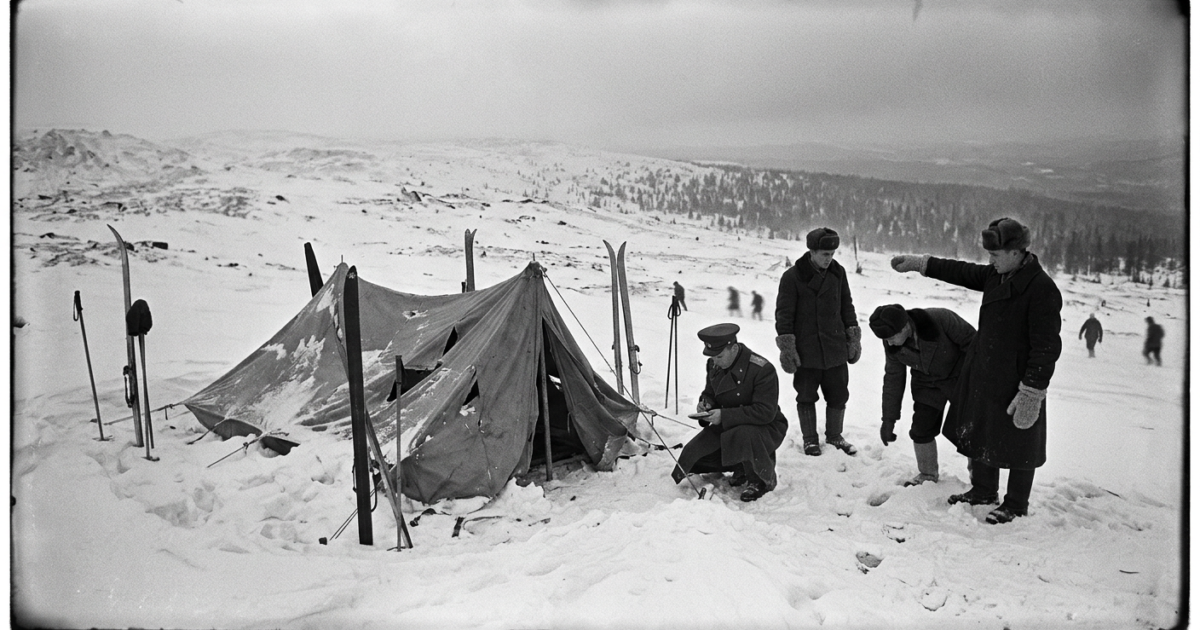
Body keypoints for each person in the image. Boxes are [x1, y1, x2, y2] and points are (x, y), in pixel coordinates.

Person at [891, 217, 1062, 524]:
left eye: (995, 256)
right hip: (984, 370)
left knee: (1021, 441)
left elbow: (1046, 347)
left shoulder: (1041, 290)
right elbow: (961, 271)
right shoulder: (997, 275)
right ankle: (983, 490)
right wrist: (922, 264)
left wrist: (1032, 392)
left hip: (1018, 380)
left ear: (1017, 252)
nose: (990, 261)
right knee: (982, 431)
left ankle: (1016, 504)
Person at [671, 323, 789, 502]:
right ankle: (740, 465)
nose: (714, 361)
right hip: (728, 423)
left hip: (764, 427)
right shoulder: (714, 363)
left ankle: (760, 481)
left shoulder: (762, 369)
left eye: (719, 356)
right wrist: (706, 405)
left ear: (733, 348)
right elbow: (710, 392)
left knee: (744, 435)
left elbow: (765, 412)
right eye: (712, 357)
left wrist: (724, 416)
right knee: (693, 455)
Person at [774, 227, 862, 457]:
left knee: (839, 395)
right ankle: (810, 440)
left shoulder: (838, 273)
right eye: (824, 254)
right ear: (811, 252)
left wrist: (853, 337)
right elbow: (784, 315)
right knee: (806, 395)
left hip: (835, 347)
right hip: (807, 349)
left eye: (832, 254)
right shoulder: (792, 277)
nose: (829, 259)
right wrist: (788, 348)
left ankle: (835, 436)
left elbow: (847, 306)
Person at [869, 304, 976, 486]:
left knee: (971, 433)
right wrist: (889, 419)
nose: (889, 343)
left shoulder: (941, 319)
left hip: (961, 378)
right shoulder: (891, 336)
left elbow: (975, 346)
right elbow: (893, 378)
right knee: (921, 429)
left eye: (892, 338)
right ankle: (927, 475)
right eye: (885, 339)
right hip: (927, 383)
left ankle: (980, 484)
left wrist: (976, 384)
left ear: (905, 326)